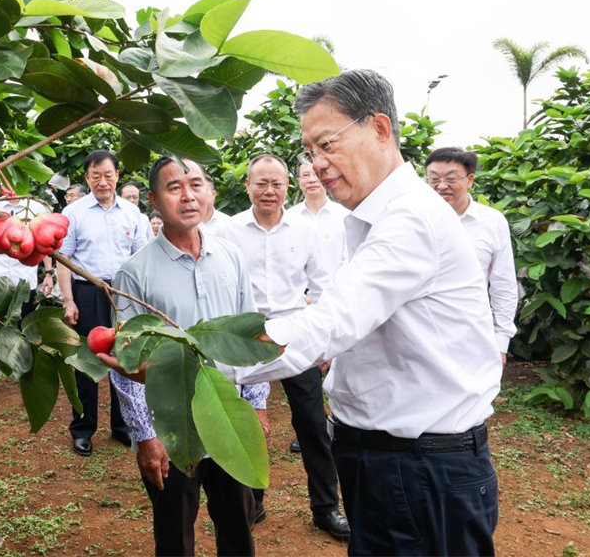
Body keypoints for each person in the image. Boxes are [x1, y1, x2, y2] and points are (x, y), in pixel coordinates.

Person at [146, 71, 502, 556]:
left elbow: (326, 322)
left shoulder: (410, 220)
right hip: (388, 461)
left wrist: (187, 358)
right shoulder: (371, 220)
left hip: (420, 470)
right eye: (310, 151)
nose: (318, 163)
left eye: (326, 144)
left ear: (379, 128)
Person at [110, 157, 267, 557]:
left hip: (228, 416)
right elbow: (126, 366)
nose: (188, 195)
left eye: (195, 184)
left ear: (210, 193)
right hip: (172, 427)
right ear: (154, 201)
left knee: (238, 524)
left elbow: (252, 338)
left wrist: (257, 406)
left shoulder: (231, 257)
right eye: (174, 187)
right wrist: (146, 436)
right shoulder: (134, 272)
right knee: (175, 531)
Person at [215, 154, 350, 539]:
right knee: (243, 425)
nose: (269, 191)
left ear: (287, 186)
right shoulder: (229, 231)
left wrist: (325, 344)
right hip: (244, 337)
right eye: (261, 183)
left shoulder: (304, 231)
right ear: (247, 186)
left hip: (295, 338)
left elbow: (323, 288)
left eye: (276, 183)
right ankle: (251, 502)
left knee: (312, 425)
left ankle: (326, 508)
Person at [57, 151, 146, 456]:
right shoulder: (74, 213)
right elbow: (63, 259)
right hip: (87, 291)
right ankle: (83, 429)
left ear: (117, 176)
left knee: (125, 357)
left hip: (122, 293)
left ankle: (123, 427)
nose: (103, 181)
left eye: (108, 175)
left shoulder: (132, 213)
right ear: (87, 178)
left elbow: (140, 258)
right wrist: (68, 300)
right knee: (87, 361)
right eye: (96, 176)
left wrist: (141, 300)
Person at [425, 147, 518, 364]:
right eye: (433, 179)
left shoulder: (492, 222)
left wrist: (501, 342)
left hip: (474, 335)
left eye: (450, 179)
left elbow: (503, 285)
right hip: (423, 336)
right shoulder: (417, 221)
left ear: (470, 180)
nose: (441, 186)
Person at [284, 160, 350, 455]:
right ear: (297, 181)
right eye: (304, 175)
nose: (311, 179)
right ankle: (310, 428)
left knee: (340, 369)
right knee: (305, 376)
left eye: (315, 174)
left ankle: (340, 424)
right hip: (302, 305)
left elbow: (350, 262)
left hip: (339, 301)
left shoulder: (343, 216)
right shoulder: (289, 218)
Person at [0, 197, 55, 399]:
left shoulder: (36, 209)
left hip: (24, 277)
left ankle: (25, 374)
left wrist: (48, 273)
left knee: (25, 327)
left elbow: (44, 244)